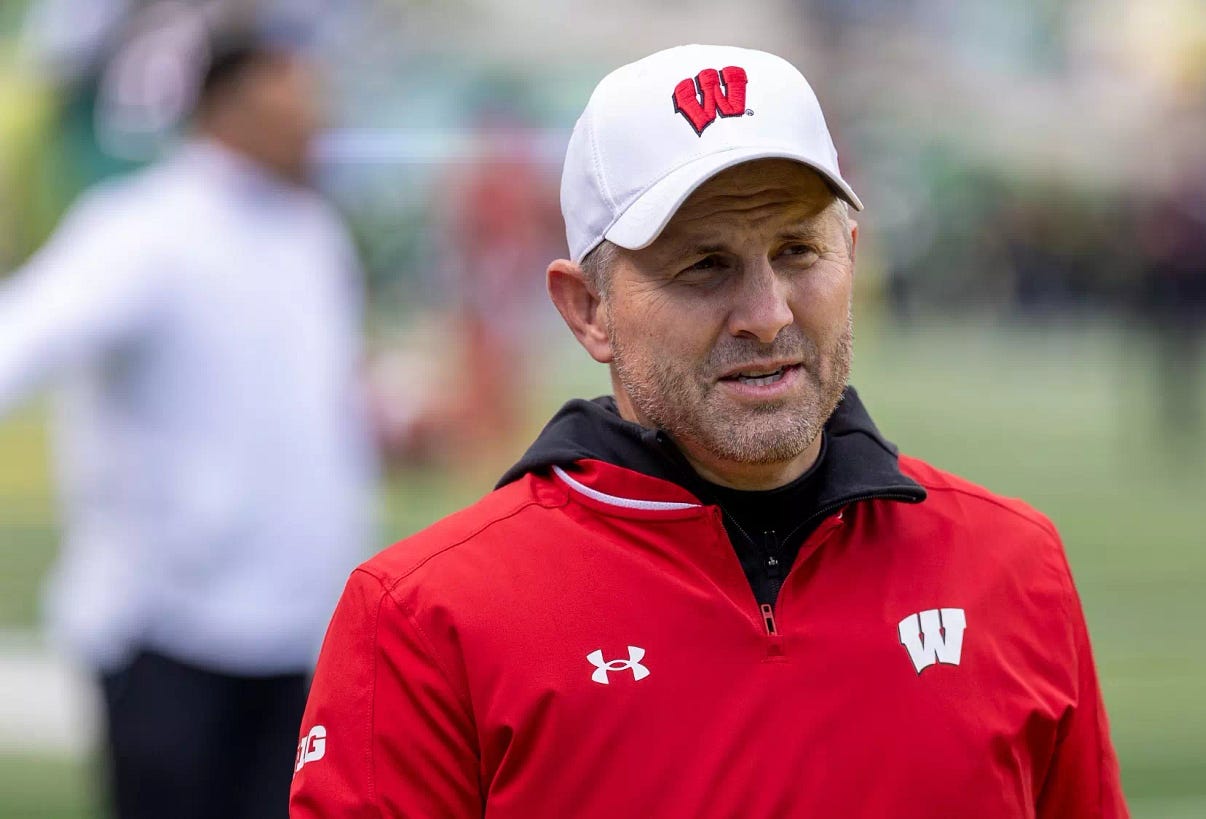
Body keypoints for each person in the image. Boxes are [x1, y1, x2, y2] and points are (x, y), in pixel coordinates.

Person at [292, 44, 1126, 817]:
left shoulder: (1014, 564)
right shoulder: (424, 618)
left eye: (798, 251)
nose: (768, 314)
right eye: (704, 265)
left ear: (852, 256)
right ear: (588, 311)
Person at [0, 36, 376, 819]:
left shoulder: (313, 232)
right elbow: (22, 340)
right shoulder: (145, 227)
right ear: (227, 104)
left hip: (297, 630)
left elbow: (307, 392)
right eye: (295, 97)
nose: (319, 120)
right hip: (168, 629)